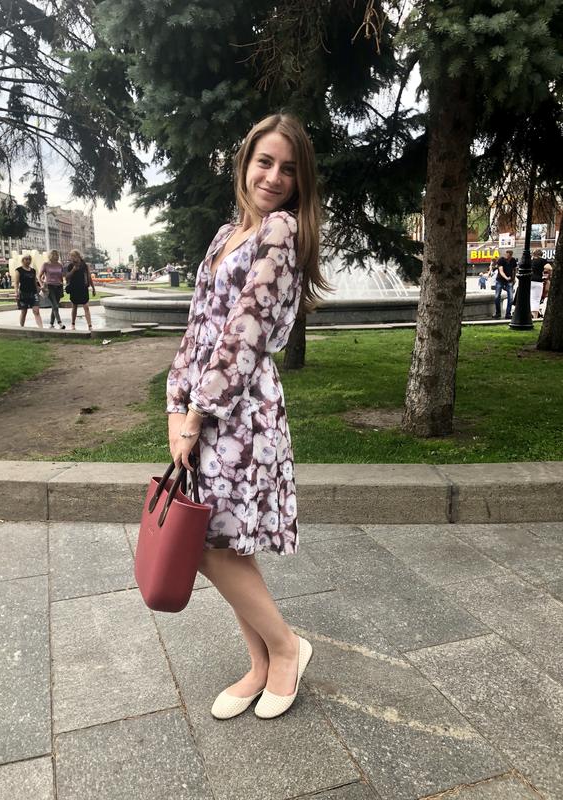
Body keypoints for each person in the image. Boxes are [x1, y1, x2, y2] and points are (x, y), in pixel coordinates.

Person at [166, 113, 328, 721]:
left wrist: (197, 413)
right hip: (205, 409)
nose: (274, 176)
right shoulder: (225, 234)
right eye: (265, 161)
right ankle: (259, 664)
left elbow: (245, 332)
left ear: (300, 179)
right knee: (227, 540)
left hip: (242, 413)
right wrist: (175, 404)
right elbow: (197, 326)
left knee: (209, 543)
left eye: (288, 168)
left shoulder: (282, 230)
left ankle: (285, 648)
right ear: (246, 162)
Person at [65, 249, 95, 330]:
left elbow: (89, 277)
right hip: (74, 288)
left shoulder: (84, 265)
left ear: (78, 256)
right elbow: (67, 277)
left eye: (74, 256)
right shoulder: (70, 266)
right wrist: (73, 270)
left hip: (83, 288)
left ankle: (90, 325)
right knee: (74, 306)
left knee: (86, 307)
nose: (72, 257)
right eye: (71, 256)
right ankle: (73, 324)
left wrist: (93, 288)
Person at [14, 255, 43, 328]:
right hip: (23, 293)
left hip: (33, 293)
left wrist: (38, 290)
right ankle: (22, 327)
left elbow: (34, 282)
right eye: (26, 259)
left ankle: (41, 328)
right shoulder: (18, 270)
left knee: (36, 311)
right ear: (22, 260)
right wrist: (16, 292)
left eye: (29, 259)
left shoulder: (33, 270)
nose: (28, 261)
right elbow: (16, 283)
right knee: (24, 312)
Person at [39, 249, 66, 329]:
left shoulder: (60, 265)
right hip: (49, 287)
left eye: (57, 254)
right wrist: (42, 285)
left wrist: (62, 285)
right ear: (50, 255)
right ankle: (60, 323)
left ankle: (51, 324)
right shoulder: (46, 264)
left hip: (59, 287)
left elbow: (62, 276)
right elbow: (39, 276)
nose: (56, 256)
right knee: (55, 305)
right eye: (54, 254)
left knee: (55, 306)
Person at [493, 249, 517, 319]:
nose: (507, 257)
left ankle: (508, 314)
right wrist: (506, 278)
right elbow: (501, 271)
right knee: (497, 296)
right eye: (507, 255)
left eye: (509, 256)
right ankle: (498, 313)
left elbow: (514, 269)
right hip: (500, 280)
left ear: (511, 255)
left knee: (511, 297)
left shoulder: (513, 260)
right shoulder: (501, 260)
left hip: (509, 281)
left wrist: (514, 278)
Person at [530, 248, 550, 320]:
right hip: (538, 281)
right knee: (536, 300)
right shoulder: (542, 260)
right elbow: (549, 268)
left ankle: (529, 316)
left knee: (530, 299)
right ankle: (535, 317)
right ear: (541, 254)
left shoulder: (530, 261)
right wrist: (546, 272)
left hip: (529, 281)